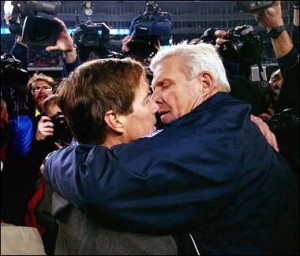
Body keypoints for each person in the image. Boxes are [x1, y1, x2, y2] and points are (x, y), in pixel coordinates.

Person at [43, 42, 298, 255]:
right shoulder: (222, 124)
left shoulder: (215, 138)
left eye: (165, 85)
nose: (155, 100)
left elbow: (99, 180)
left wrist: (54, 159)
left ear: (205, 83)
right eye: (151, 91)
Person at [39, 58, 178, 255]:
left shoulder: (64, 175)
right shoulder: (134, 209)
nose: (156, 106)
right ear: (115, 120)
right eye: (147, 99)